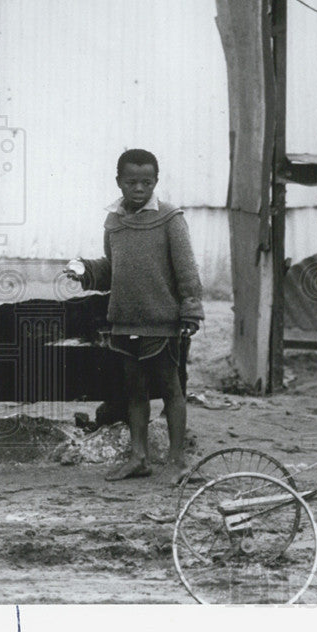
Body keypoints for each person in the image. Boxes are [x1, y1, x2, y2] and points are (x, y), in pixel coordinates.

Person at [66, 148, 204, 483]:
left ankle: (176, 462)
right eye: (132, 182)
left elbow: (186, 270)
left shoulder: (171, 218)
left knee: (171, 387)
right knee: (135, 390)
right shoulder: (113, 220)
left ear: (156, 182)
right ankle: (139, 458)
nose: (139, 188)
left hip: (162, 322)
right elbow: (112, 269)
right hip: (124, 320)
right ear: (119, 182)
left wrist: (190, 310)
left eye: (146, 182)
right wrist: (85, 271)